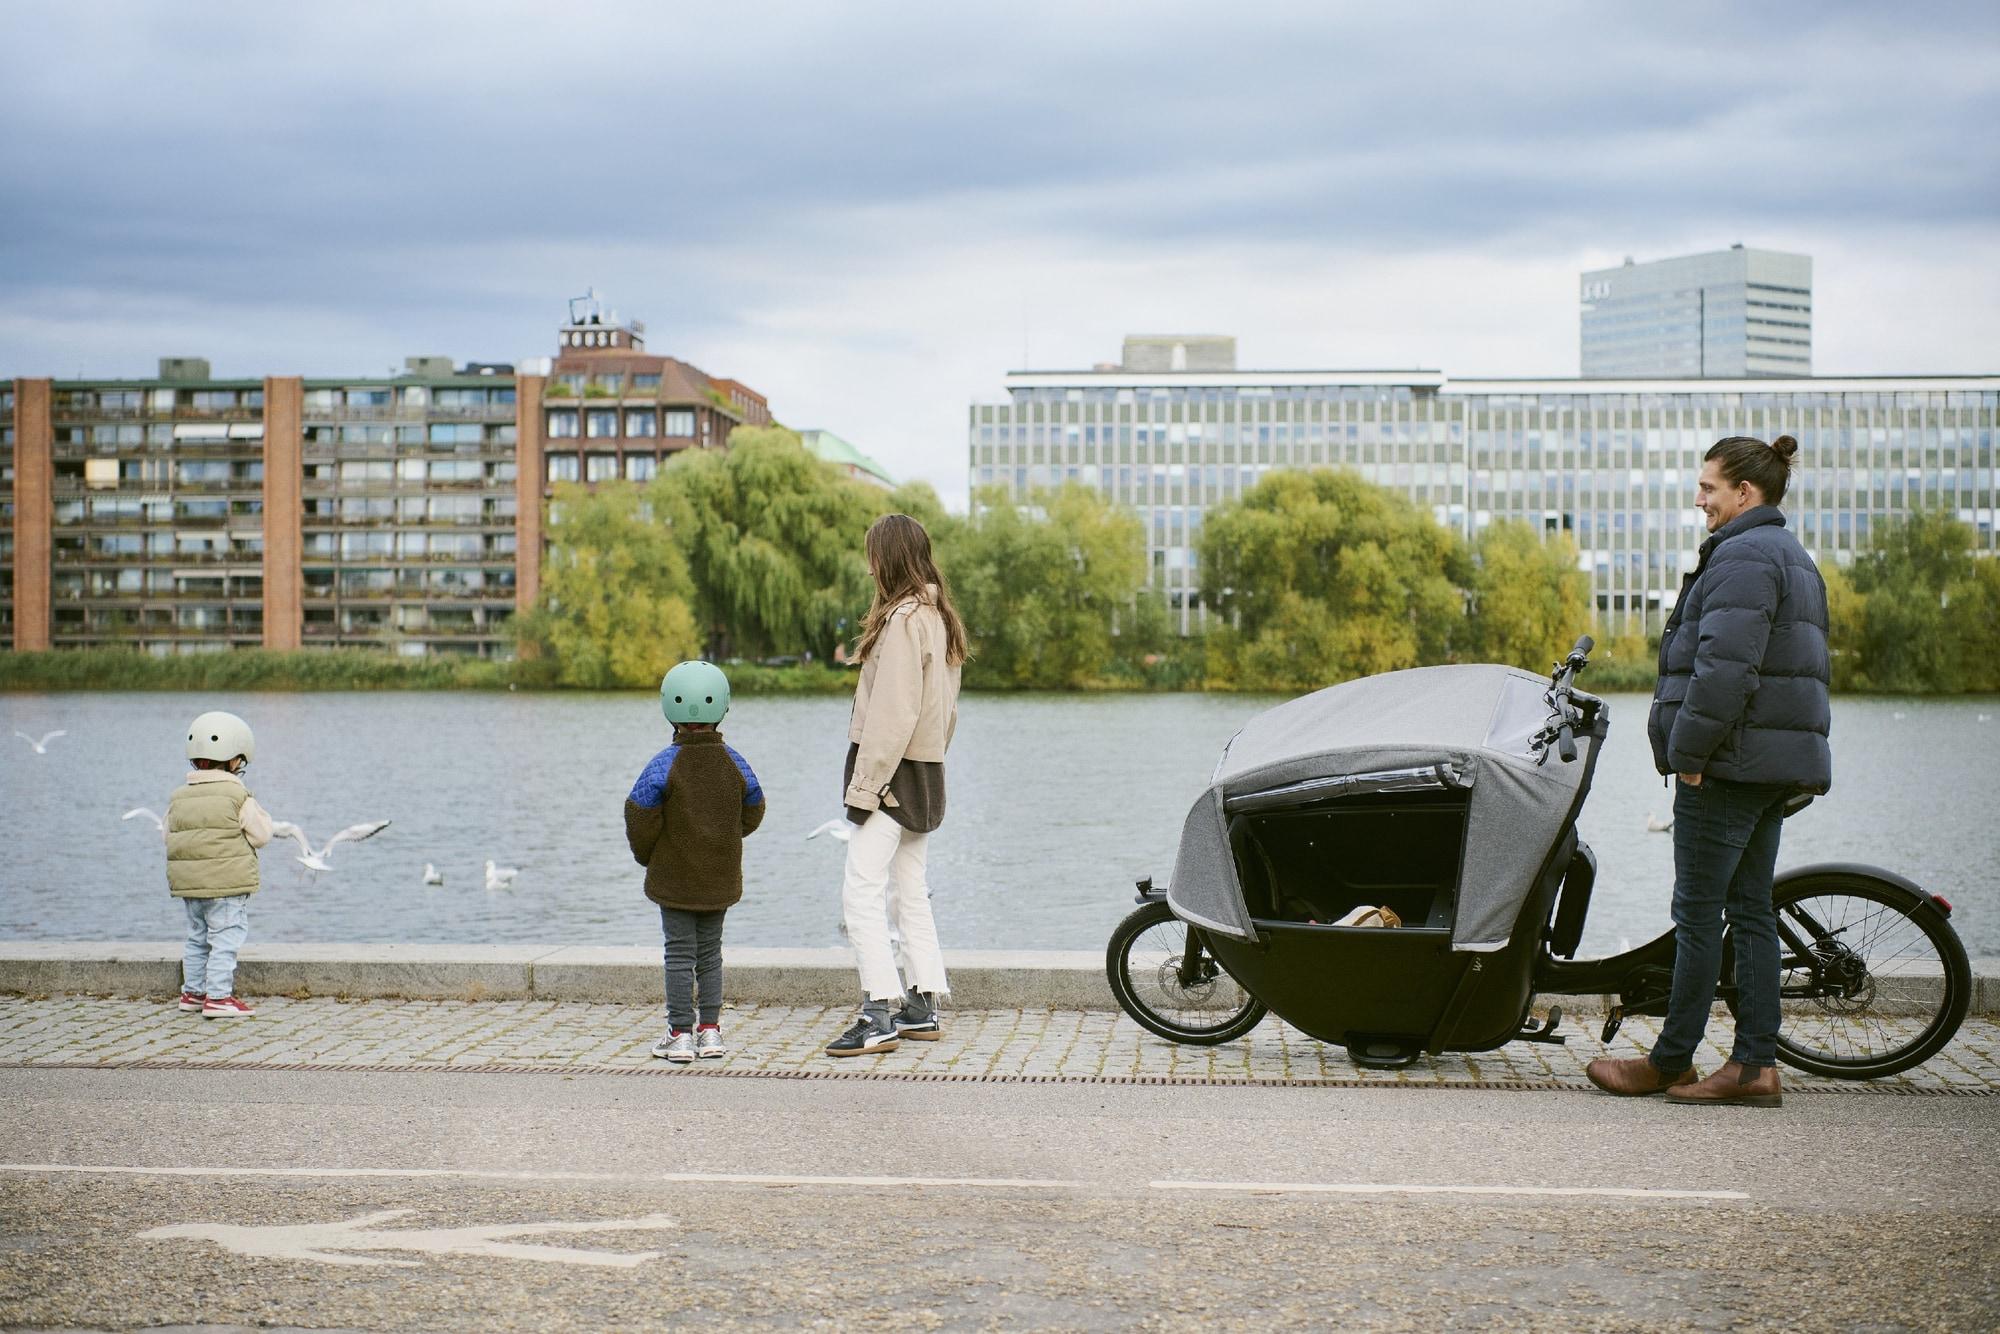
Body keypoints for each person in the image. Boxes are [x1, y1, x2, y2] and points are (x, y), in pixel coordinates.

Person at [1587, 433, 1831, 1108]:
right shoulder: (1789, 553)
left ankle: (1670, 1061)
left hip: (1727, 767)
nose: (1699, 500)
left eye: (1708, 487)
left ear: (1743, 492)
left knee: (1697, 916)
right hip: (1765, 766)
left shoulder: (1745, 555)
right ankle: (1754, 1067)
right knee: (1750, 911)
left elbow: (1725, 672)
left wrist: (1690, 756)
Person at [824, 514, 968, 1057]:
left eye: (873, 556)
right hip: (925, 771)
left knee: (860, 892)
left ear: (887, 558)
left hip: (891, 774)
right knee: (910, 889)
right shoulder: (939, 616)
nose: (869, 567)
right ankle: (922, 1005)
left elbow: (891, 713)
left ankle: (878, 1011)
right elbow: (946, 713)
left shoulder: (904, 619)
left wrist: (866, 787)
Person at [625, 660, 766, 1063]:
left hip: (674, 880)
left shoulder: (663, 764)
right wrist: (724, 839)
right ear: (723, 707)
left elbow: (638, 816)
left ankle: (679, 1034)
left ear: (669, 708)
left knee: (679, 955)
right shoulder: (736, 763)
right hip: (719, 878)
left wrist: (649, 856)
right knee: (710, 954)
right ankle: (711, 1032)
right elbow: (755, 809)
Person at [167, 710, 275, 1019]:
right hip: (226, 885)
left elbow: (168, 835)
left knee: (197, 938)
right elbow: (261, 835)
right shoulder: (237, 794)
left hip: (190, 886)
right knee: (225, 938)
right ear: (235, 759)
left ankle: (193, 993)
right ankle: (218, 997)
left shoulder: (179, 797)